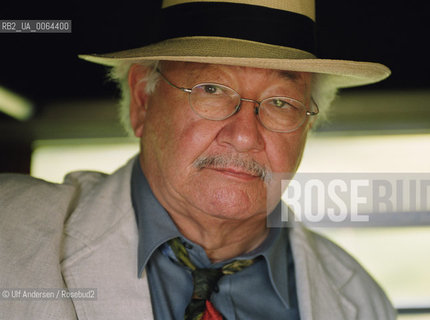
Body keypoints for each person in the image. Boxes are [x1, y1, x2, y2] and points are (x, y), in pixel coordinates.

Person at [0, 0, 395, 319]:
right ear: (143, 100)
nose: (244, 135)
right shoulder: (11, 232)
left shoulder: (360, 301)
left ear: (307, 125)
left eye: (280, 102)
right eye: (211, 89)